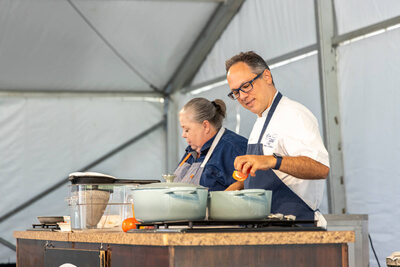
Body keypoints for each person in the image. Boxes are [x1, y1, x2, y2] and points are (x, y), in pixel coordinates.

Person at [225, 51, 330, 227]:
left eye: (246, 86)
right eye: (235, 92)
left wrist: (272, 160)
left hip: (294, 228)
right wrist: (231, 192)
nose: (242, 96)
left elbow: (320, 168)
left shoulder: (294, 115)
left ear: (266, 76)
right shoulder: (260, 121)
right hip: (265, 228)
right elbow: (264, 175)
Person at [173, 97, 248, 191]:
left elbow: (253, 182)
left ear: (205, 126)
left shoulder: (233, 148)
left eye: (187, 130)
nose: (183, 135)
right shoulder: (191, 152)